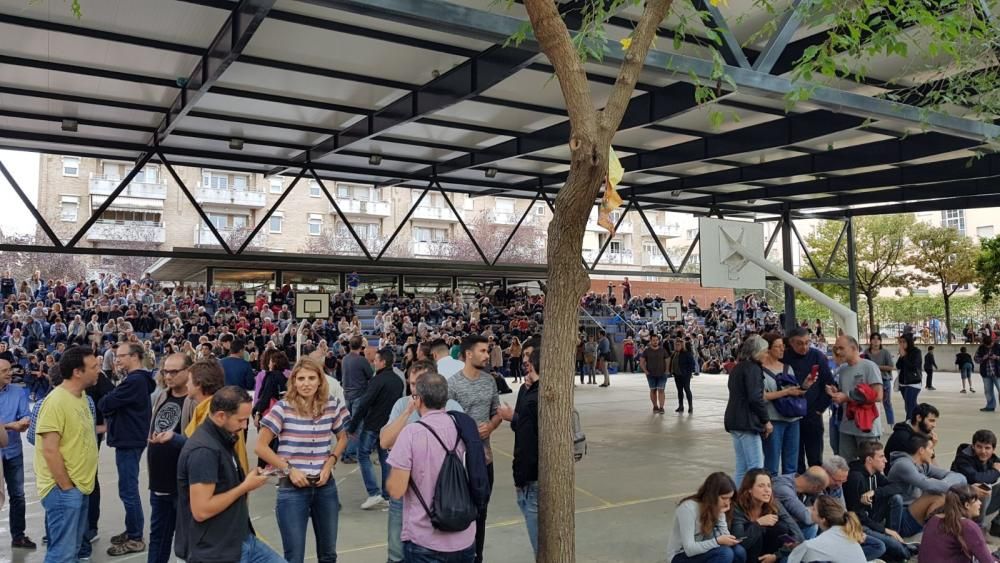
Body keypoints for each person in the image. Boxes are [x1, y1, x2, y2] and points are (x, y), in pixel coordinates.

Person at [256, 358, 350, 563]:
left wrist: (330, 462)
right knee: (294, 556)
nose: (306, 383)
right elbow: (260, 446)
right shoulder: (282, 408)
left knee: (328, 554)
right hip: (292, 489)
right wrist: (289, 469)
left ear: (320, 381)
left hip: (325, 486)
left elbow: (343, 437)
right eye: (301, 378)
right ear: (294, 382)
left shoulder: (332, 406)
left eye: (311, 378)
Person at [175, 386, 283, 563]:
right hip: (217, 549)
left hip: (240, 538)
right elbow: (202, 510)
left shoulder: (222, 437)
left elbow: (224, 484)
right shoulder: (204, 451)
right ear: (220, 416)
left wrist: (247, 479)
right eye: (240, 420)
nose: (245, 425)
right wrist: (245, 486)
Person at [386, 373, 482, 562]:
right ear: (445, 398)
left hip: (425, 540)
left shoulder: (412, 433)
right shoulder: (462, 427)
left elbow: (396, 489)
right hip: (465, 536)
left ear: (418, 400)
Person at [36, 346, 99, 563]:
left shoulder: (80, 397)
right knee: (62, 554)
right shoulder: (56, 401)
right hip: (64, 491)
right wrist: (66, 487)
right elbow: (50, 449)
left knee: (70, 550)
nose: (99, 370)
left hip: (79, 486)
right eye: (94, 367)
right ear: (77, 372)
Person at [98, 342, 155, 556]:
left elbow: (106, 403)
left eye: (120, 356)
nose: (116, 360)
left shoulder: (135, 381)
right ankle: (132, 530)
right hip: (130, 438)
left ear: (134, 357)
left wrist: (108, 401)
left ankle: (135, 538)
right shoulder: (136, 381)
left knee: (128, 490)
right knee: (128, 489)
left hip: (129, 440)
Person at [448, 335, 500, 563]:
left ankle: (477, 557)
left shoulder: (489, 381)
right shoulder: (452, 384)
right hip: (460, 464)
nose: (487, 355)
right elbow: (445, 420)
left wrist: (490, 426)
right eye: (483, 351)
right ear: (469, 354)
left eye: (487, 351)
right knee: (460, 514)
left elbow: (497, 411)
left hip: (485, 460)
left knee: (481, 514)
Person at [145, 353, 196, 563]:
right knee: (158, 536)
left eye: (174, 371)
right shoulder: (161, 396)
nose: (168, 376)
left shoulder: (194, 402)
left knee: (188, 541)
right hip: (159, 481)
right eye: (166, 371)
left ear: (189, 372)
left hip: (183, 484)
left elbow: (197, 444)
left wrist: (174, 439)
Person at [348, 347, 405, 511]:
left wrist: (353, 426)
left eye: (376, 360)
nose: (373, 363)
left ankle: (374, 493)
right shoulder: (398, 380)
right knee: (385, 459)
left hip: (373, 425)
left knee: (363, 454)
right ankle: (387, 495)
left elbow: (364, 403)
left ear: (383, 362)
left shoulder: (377, 380)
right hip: (389, 426)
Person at [498, 338, 541, 556]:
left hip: (534, 476)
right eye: (524, 355)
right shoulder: (526, 390)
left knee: (540, 545)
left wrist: (512, 417)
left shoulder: (541, 393)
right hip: (524, 473)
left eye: (530, 356)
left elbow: (531, 430)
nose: (525, 360)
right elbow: (524, 427)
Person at [843, 441, 915, 562]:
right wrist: (884, 530)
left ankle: (895, 538)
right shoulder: (856, 478)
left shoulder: (875, 473)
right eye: (881, 456)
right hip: (861, 525)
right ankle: (901, 548)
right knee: (899, 550)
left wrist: (875, 493)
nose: (885, 460)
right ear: (869, 460)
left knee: (896, 498)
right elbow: (858, 516)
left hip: (872, 517)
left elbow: (897, 487)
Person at [887, 432, 966, 537]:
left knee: (944, 493)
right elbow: (929, 485)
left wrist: (947, 484)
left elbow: (958, 476)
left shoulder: (922, 465)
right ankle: (933, 535)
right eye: (931, 448)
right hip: (900, 519)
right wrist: (952, 486)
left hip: (912, 513)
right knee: (937, 496)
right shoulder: (903, 465)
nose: (932, 453)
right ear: (921, 450)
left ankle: (943, 532)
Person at [783, 327, 835, 474]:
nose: (804, 347)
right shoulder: (784, 357)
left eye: (807, 343)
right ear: (791, 343)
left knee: (815, 457)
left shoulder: (817, 356)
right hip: (791, 414)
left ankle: (816, 490)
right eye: (799, 343)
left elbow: (829, 384)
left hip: (813, 413)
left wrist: (819, 409)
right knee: (794, 458)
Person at [184, 359, 250, 473]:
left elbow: (202, 446)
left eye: (188, 380)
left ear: (199, 383)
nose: (186, 384)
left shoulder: (213, 411)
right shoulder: (209, 407)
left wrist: (173, 440)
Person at [666, 472, 746, 563]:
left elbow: (724, 537)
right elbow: (689, 550)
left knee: (739, 551)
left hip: (704, 551)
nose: (727, 503)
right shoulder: (688, 508)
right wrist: (717, 541)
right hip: (680, 555)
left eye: (730, 498)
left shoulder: (716, 508)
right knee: (725, 553)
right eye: (724, 498)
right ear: (712, 496)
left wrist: (720, 515)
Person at [825, 336, 883, 462]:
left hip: (867, 427)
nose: (838, 352)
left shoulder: (869, 367)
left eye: (841, 348)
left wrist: (847, 397)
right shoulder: (843, 369)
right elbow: (844, 393)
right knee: (845, 465)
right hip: (846, 426)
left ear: (854, 348)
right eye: (836, 348)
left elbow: (878, 395)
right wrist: (836, 393)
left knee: (869, 464)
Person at [725, 335, 772, 486]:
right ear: (757, 352)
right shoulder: (753, 369)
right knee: (756, 468)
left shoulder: (738, 367)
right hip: (747, 422)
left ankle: (736, 500)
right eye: (765, 351)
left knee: (742, 467)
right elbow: (755, 398)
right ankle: (752, 502)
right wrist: (766, 420)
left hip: (735, 420)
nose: (767, 354)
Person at [730, 469, 804, 563]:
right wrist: (758, 524)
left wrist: (776, 555)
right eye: (761, 486)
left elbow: (797, 535)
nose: (767, 490)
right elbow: (739, 542)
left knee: (781, 528)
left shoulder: (773, 504)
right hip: (746, 553)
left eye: (769, 486)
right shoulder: (738, 507)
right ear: (749, 489)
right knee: (751, 528)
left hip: (769, 553)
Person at [760, 333, 806, 476]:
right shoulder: (759, 370)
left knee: (791, 463)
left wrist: (804, 386)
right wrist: (786, 393)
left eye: (783, 346)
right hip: (774, 420)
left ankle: (788, 492)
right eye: (778, 347)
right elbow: (761, 396)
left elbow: (794, 389)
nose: (782, 350)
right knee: (772, 463)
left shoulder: (787, 367)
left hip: (793, 419)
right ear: (768, 349)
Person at [0, 358, 34, 550]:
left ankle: (18, 536)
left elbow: (24, 416)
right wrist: (9, 426)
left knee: (18, 496)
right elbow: (12, 425)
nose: (10, 373)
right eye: (5, 371)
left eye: (9, 369)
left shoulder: (18, 391)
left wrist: (24, 421)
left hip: (13, 452)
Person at [918, 485, 1000, 563]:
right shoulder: (968, 526)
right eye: (976, 500)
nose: (980, 503)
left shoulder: (934, 518)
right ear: (967, 505)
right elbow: (987, 561)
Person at [786, 496, 866, 563]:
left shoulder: (825, 539)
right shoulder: (844, 532)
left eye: (813, 509)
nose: (809, 510)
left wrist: (797, 548)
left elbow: (805, 550)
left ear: (823, 519)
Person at [950, 429, 1000, 535]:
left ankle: (997, 525)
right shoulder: (963, 458)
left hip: (979, 505)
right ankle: (978, 527)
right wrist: (996, 472)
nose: (983, 451)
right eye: (979, 446)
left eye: (987, 448)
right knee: (983, 488)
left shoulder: (994, 460)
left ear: (993, 449)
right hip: (961, 504)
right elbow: (977, 478)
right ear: (973, 446)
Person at [341, 334, 373, 464]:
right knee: (357, 426)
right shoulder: (361, 360)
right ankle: (350, 453)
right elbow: (370, 375)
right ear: (361, 346)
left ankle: (344, 451)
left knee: (347, 425)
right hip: (358, 395)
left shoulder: (345, 359)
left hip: (347, 394)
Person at [771, 467, 829, 539]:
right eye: (820, 490)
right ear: (815, 487)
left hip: (788, 523)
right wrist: (814, 511)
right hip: (773, 528)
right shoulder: (784, 489)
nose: (820, 492)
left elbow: (826, 508)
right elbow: (807, 518)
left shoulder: (797, 481)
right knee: (814, 524)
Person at [865, 334, 895, 426]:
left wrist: (876, 367)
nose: (875, 341)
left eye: (878, 339)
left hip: (884, 380)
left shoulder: (885, 352)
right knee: (870, 402)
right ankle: (872, 423)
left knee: (887, 402)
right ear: (870, 341)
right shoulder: (866, 353)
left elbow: (891, 367)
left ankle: (891, 424)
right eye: (873, 339)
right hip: (870, 381)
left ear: (880, 341)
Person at [895, 333, 923, 421]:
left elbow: (914, 366)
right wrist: (901, 356)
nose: (902, 344)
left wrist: (904, 356)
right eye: (900, 342)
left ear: (909, 342)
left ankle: (909, 423)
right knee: (909, 404)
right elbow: (898, 366)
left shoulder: (916, 352)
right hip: (903, 383)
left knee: (910, 405)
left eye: (904, 342)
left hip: (913, 382)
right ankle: (921, 417)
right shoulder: (903, 353)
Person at [640, 333, 669, 414]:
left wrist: (667, 370)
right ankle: (655, 406)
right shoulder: (646, 351)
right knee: (653, 390)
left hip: (662, 374)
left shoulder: (663, 350)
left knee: (661, 390)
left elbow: (667, 360)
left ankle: (661, 407)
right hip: (651, 375)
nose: (655, 342)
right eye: (653, 340)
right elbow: (641, 362)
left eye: (657, 340)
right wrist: (646, 371)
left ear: (658, 341)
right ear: (650, 341)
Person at [670, 337, 696, 413]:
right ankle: (681, 406)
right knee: (679, 391)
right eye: (676, 345)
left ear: (682, 345)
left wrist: (689, 373)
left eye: (679, 345)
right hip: (677, 375)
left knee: (687, 390)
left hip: (685, 375)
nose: (677, 346)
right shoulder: (674, 353)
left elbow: (692, 364)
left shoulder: (687, 353)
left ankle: (690, 407)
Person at [975, 334, 1000, 412]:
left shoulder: (998, 347)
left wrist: (996, 357)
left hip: (998, 373)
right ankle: (990, 406)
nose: (989, 347)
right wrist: (983, 358)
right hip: (986, 373)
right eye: (987, 346)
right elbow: (976, 359)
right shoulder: (981, 348)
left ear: (993, 341)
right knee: (988, 391)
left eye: (990, 345)